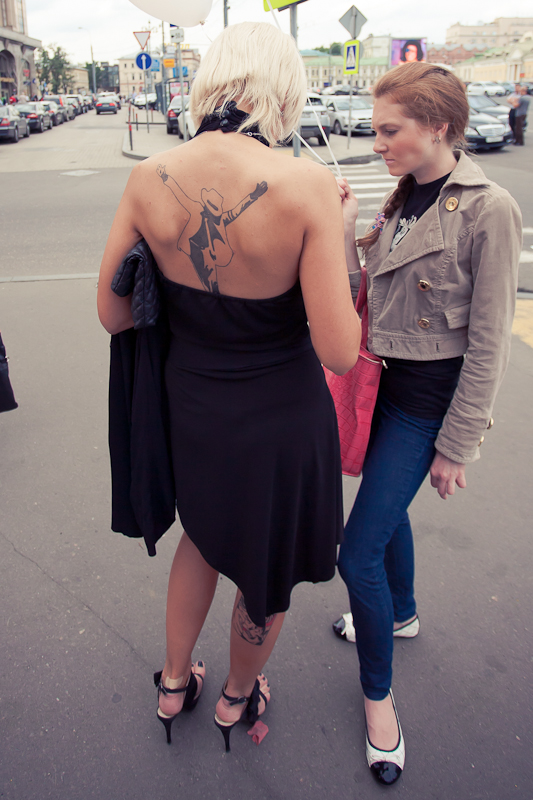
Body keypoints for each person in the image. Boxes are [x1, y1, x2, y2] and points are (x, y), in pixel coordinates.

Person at [97, 21, 360, 753]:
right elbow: (340, 351)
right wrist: (340, 232)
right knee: (263, 558)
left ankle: (173, 681)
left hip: (191, 404)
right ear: (285, 87)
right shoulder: (305, 185)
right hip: (279, 416)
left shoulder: (150, 176)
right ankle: (237, 696)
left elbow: (113, 315)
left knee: (204, 535)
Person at [333, 61, 522, 785]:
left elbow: (489, 343)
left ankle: (378, 699)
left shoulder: (488, 209)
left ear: (438, 126)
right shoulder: (404, 196)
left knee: (356, 554)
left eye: (390, 130)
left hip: (425, 406)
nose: (377, 143)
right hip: (381, 389)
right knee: (388, 515)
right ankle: (402, 612)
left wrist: (457, 444)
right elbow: (369, 296)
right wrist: (347, 232)